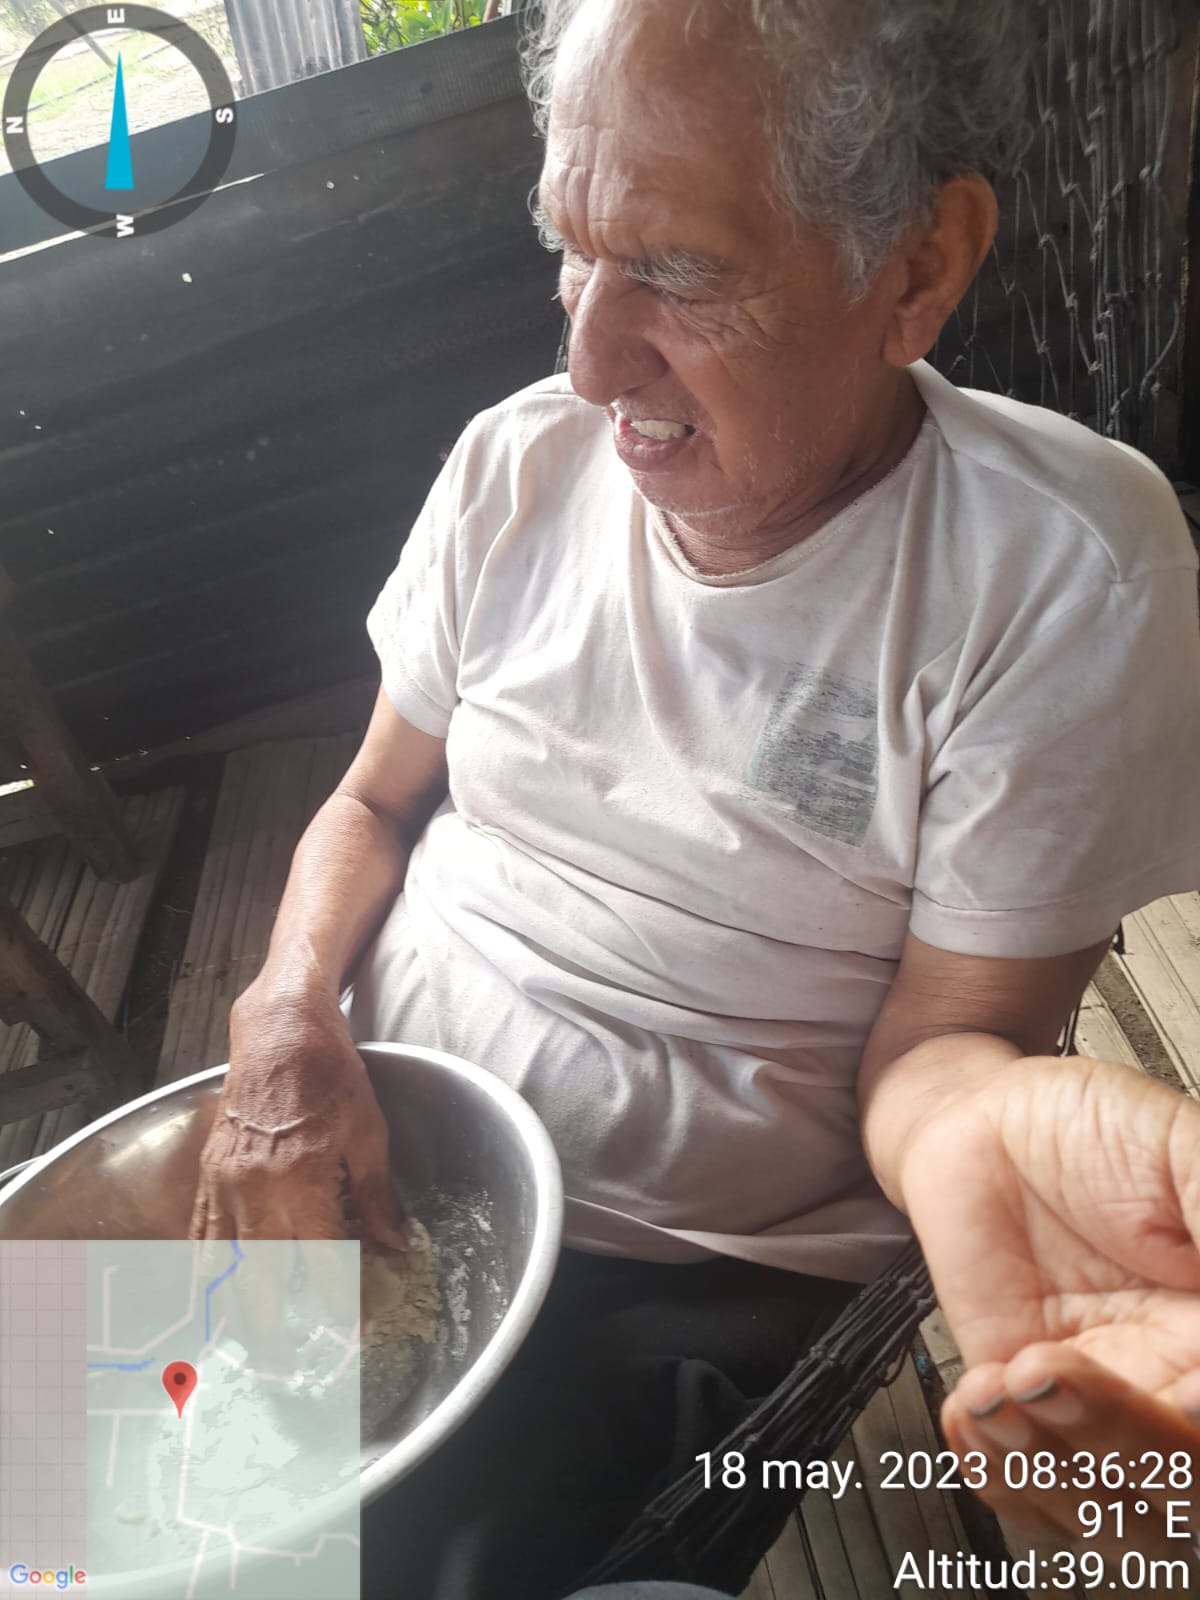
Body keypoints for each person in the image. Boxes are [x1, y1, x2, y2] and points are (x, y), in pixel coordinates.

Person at [189, 0, 1200, 1593]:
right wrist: (284, 1013)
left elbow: (945, 1047)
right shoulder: (515, 466)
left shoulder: (1056, 574)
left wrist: (987, 1143)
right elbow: (374, 805)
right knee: (70, 1498)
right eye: (572, 250)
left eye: (675, 268)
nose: (588, 360)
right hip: (356, 1134)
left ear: (918, 269)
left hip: (673, 1281)